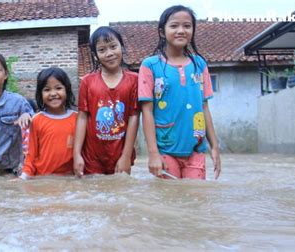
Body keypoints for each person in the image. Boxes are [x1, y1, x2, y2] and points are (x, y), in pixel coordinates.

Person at [138, 5, 221, 180]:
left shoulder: (200, 64)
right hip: (165, 148)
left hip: (196, 147)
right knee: (169, 201)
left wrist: (214, 146)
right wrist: (153, 153)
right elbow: (147, 111)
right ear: (162, 31)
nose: (181, 31)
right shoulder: (150, 66)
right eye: (174, 26)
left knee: (195, 201)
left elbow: (204, 106)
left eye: (187, 26)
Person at [73, 26, 139, 177]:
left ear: (121, 47)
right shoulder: (87, 82)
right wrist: (77, 154)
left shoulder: (134, 80)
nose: (109, 53)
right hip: (91, 156)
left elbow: (134, 116)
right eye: (102, 50)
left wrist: (126, 156)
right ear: (95, 55)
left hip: (121, 153)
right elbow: (82, 117)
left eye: (113, 47)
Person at [20, 67, 77, 179]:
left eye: (58, 88)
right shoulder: (37, 120)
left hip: (69, 179)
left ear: (67, 90)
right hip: (43, 178)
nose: (53, 93)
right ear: (40, 94)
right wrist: (24, 177)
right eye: (47, 90)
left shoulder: (77, 119)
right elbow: (31, 155)